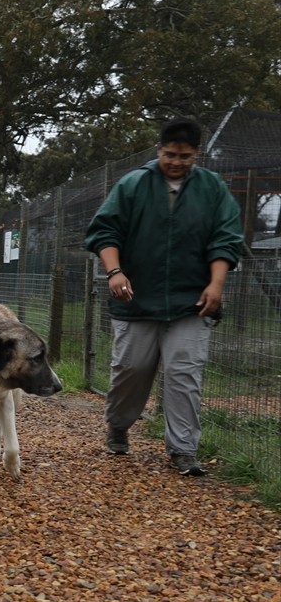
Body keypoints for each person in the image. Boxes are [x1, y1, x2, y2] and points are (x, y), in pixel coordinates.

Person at [84, 117, 242, 477]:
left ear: (196, 155)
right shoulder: (133, 184)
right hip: (136, 299)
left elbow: (226, 239)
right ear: (159, 150)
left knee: (184, 372)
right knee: (132, 368)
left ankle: (183, 450)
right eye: (170, 154)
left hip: (191, 301)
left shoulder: (212, 189)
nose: (176, 162)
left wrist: (215, 285)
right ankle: (119, 424)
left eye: (185, 156)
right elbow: (105, 231)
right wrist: (114, 271)